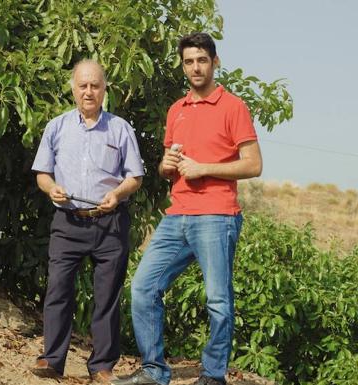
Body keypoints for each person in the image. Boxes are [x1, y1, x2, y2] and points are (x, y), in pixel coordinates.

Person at [112, 33, 263, 385]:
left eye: (202, 60)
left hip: (217, 215)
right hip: (177, 214)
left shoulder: (233, 107)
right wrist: (167, 164)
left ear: (215, 62)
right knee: (144, 287)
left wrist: (204, 168)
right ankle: (153, 370)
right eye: (189, 62)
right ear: (183, 66)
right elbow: (170, 164)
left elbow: (253, 165)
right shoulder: (176, 110)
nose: (196, 67)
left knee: (217, 300)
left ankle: (212, 375)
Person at [31, 59, 144, 384]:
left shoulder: (120, 128)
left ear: (104, 89)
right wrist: (52, 188)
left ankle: (102, 367)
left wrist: (118, 194)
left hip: (110, 223)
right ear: (73, 89)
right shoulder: (57, 127)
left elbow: (135, 177)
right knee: (58, 290)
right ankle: (52, 360)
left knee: (107, 296)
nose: (89, 91)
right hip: (67, 223)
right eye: (83, 85)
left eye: (95, 85)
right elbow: (42, 173)